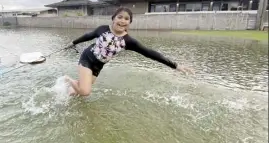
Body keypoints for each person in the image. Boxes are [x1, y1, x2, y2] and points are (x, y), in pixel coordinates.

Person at [64, 7, 194, 97]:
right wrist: (73, 43)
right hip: (87, 59)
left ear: (129, 23)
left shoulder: (128, 41)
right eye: (119, 17)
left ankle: (70, 92)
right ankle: (67, 80)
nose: (122, 21)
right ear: (113, 18)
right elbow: (88, 35)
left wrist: (175, 66)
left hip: (98, 66)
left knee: (79, 90)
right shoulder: (103, 29)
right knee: (86, 92)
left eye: (126, 19)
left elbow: (150, 53)